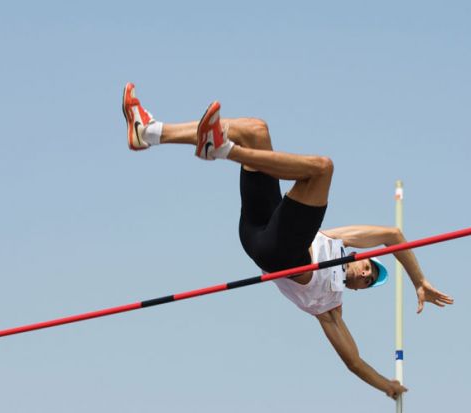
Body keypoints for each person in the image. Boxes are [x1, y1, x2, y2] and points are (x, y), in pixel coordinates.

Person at [122, 83, 454, 399]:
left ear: (355, 290)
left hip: (281, 254)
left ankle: (223, 150)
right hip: (259, 227)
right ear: (357, 256)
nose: (366, 276)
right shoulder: (338, 240)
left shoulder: (331, 308)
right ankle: (149, 132)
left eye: (367, 283)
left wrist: (388, 386)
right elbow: (392, 236)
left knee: (323, 169)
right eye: (369, 269)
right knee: (256, 130)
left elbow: (354, 361)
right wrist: (419, 281)